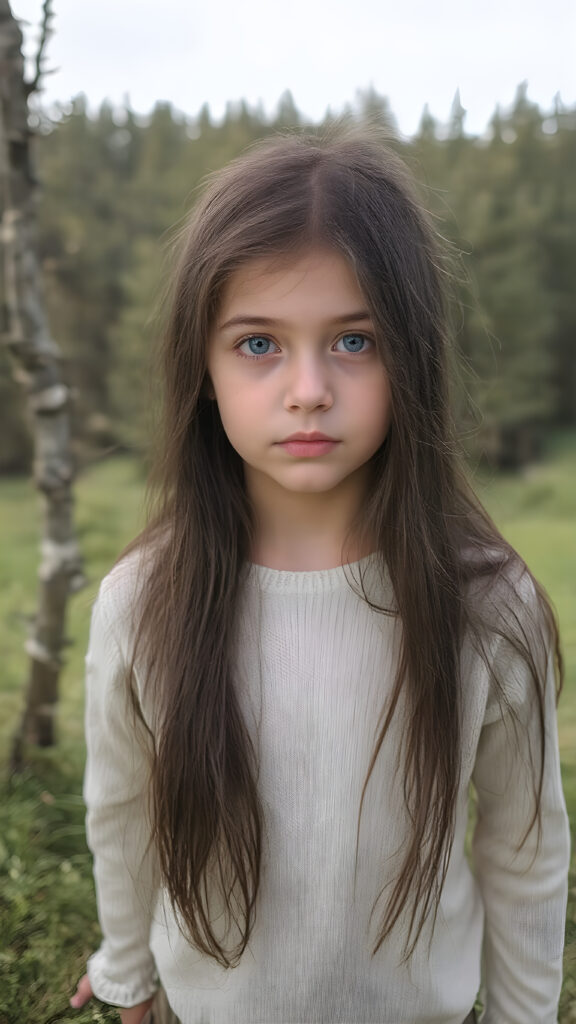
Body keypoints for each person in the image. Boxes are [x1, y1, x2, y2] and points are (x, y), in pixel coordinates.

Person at [70, 130, 569, 1024]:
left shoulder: (488, 605)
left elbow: (523, 848)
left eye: (354, 340)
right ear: (203, 368)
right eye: (259, 343)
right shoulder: (143, 602)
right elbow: (123, 811)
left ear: (412, 357)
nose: (308, 389)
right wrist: (127, 968)